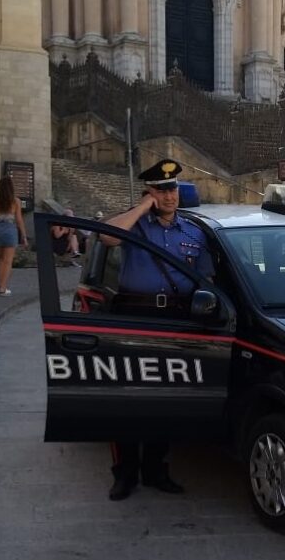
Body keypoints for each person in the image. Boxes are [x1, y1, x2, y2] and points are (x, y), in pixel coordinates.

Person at [100, 158, 214, 502]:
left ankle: (155, 469)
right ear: (150, 192)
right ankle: (125, 474)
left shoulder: (194, 232)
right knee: (128, 398)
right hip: (134, 314)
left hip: (175, 319)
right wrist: (141, 207)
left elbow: (206, 278)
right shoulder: (136, 226)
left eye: (173, 188)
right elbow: (106, 237)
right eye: (162, 190)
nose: (169, 196)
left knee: (165, 399)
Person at [0, 176, 28, 296]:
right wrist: (24, 236)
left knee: (1, 260)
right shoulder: (15, 201)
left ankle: (0, 285)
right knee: (8, 261)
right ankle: (3, 288)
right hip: (9, 231)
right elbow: (19, 220)